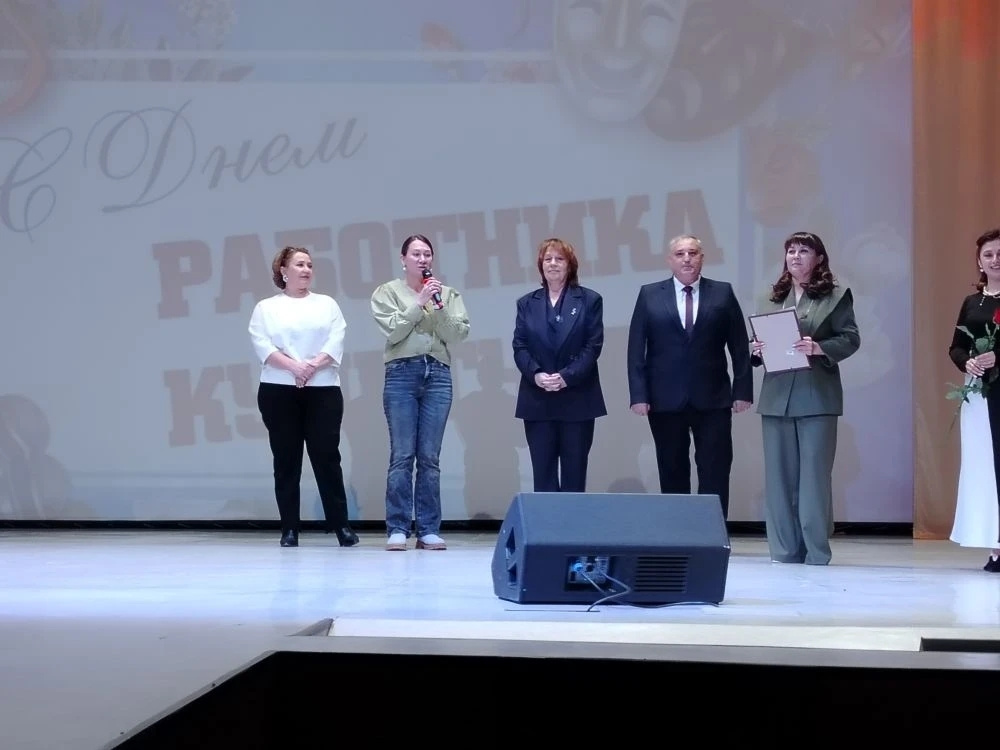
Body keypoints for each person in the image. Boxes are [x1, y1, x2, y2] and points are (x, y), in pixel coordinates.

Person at [750, 231, 860, 566]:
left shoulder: (835, 296)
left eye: (804, 251)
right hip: (776, 396)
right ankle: (784, 551)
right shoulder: (771, 297)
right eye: (791, 251)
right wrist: (754, 350)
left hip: (816, 396)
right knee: (779, 479)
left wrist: (819, 347)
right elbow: (758, 344)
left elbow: (851, 338)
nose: (795, 256)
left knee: (813, 477)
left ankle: (815, 550)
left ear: (819, 258)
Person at [626, 234, 753, 519]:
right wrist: (638, 395)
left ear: (702, 258)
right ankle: (678, 532)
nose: (687, 259)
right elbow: (636, 349)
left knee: (716, 469)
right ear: (669, 260)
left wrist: (742, 390)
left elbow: (739, 346)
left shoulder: (722, 293)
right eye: (680, 254)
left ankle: (712, 533)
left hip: (713, 398)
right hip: (664, 400)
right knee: (672, 470)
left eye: (693, 253)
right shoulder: (649, 294)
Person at [248, 246, 359, 549]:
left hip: (323, 388)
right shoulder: (266, 308)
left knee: (327, 457)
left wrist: (310, 367)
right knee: (286, 460)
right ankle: (289, 529)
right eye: (299, 264)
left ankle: (341, 526)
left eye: (309, 265)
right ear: (283, 271)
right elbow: (263, 345)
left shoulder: (327, 304)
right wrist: (295, 367)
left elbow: (336, 340)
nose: (306, 269)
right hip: (279, 389)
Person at [371, 234, 470, 551]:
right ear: (403, 259)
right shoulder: (387, 292)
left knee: (430, 457)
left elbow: (457, 334)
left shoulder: (448, 294)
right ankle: (398, 527)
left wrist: (437, 305)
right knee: (402, 454)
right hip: (402, 372)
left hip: (437, 373)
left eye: (427, 254)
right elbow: (394, 331)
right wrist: (418, 303)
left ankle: (428, 528)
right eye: (416, 254)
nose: (422, 259)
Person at [512, 238, 607, 492]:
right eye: (548, 259)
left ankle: (572, 520)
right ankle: (546, 519)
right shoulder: (526, 303)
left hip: (577, 398)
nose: (553, 264)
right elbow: (520, 346)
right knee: (542, 474)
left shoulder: (589, 300)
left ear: (570, 265)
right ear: (540, 265)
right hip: (537, 398)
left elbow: (593, 346)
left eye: (559, 259)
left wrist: (566, 376)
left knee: (575, 473)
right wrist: (536, 375)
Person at [949, 228, 1000, 571]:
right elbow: (955, 346)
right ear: (979, 262)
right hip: (979, 393)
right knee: (983, 464)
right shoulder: (972, 302)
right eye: (989, 255)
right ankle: (994, 542)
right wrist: (966, 361)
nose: (995, 260)